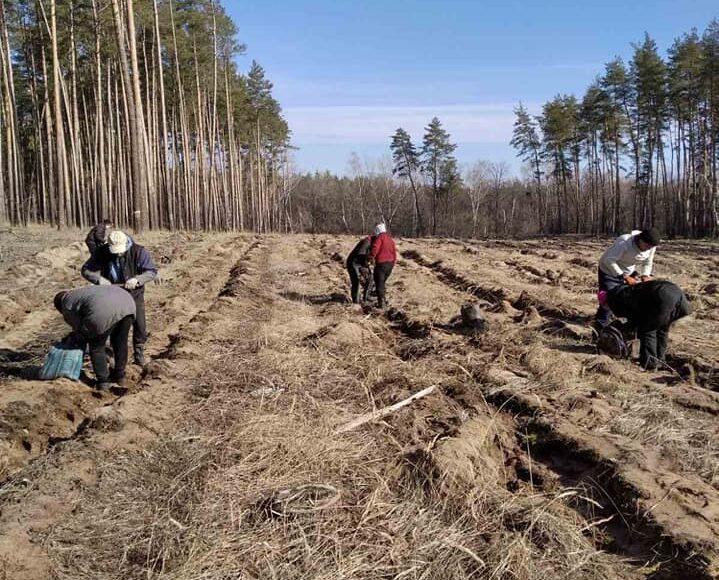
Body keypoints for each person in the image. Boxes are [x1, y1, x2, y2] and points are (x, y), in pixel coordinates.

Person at [81, 230, 158, 366]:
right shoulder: (102, 252)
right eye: (114, 251)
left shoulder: (138, 251)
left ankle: (139, 352)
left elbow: (151, 271)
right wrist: (99, 279)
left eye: (120, 251)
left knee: (139, 324)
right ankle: (111, 354)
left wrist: (137, 279)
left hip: (134, 293)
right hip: (112, 294)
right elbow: (86, 270)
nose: (118, 254)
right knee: (113, 325)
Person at [54, 286, 136, 390]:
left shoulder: (66, 305)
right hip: (127, 304)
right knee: (120, 341)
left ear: (59, 307)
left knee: (96, 346)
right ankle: (119, 376)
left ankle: (103, 382)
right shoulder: (80, 293)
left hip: (104, 310)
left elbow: (81, 330)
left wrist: (73, 340)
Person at [607, 280, 690, 370]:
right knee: (662, 330)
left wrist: (629, 327)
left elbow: (636, 315)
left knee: (648, 330)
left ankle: (650, 365)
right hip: (679, 298)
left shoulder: (623, 296)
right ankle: (660, 361)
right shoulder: (635, 290)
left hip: (664, 297)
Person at [595, 228, 660, 330]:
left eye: (651, 247)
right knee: (608, 301)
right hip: (608, 270)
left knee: (628, 299)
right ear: (641, 240)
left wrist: (645, 275)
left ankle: (625, 327)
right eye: (647, 246)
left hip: (628, 271)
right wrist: (624, 276)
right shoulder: (624, 242)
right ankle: (599, 329)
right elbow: (609, 260)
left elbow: (648, 262)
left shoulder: (651, 247)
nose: (648, 249)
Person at [368, 222, 396, 308]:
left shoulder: (380, 238)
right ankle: (382, 297)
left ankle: (381, 303)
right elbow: (394, 252)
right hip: (390, 264)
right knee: (382, 282)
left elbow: (375, 248)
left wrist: (370, 257)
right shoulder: (390, 239)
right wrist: (393, 262)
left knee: (379, 283)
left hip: (381, 264)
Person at [346, 234, 374, 304]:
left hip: (361, 263)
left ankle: (366, 298)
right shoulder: (366, 242)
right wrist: (366, 264)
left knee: (370, 278)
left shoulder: (372, 242)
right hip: (353, 263)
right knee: (356, 282)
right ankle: (356, 302)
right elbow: (360, 254)